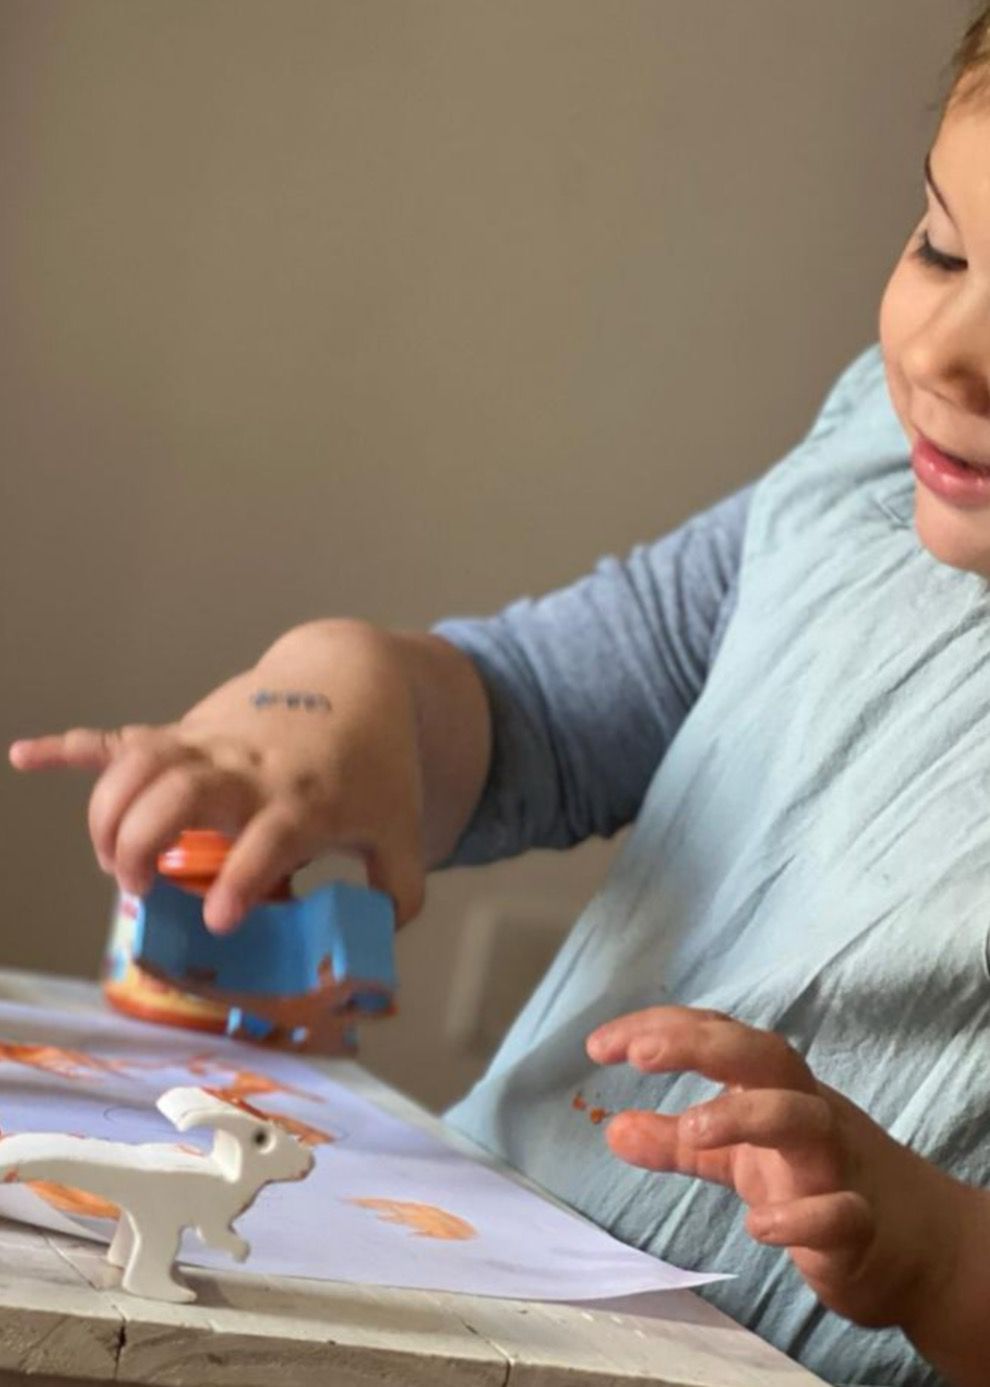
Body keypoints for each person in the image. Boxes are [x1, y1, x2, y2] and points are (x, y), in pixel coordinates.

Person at [10, 10, 990, 1386]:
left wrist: (943, 1259)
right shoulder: (869, 461)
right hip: (470, 1294)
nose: (949, 352)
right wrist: (330, 706)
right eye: (941, 246)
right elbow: (545, 699)